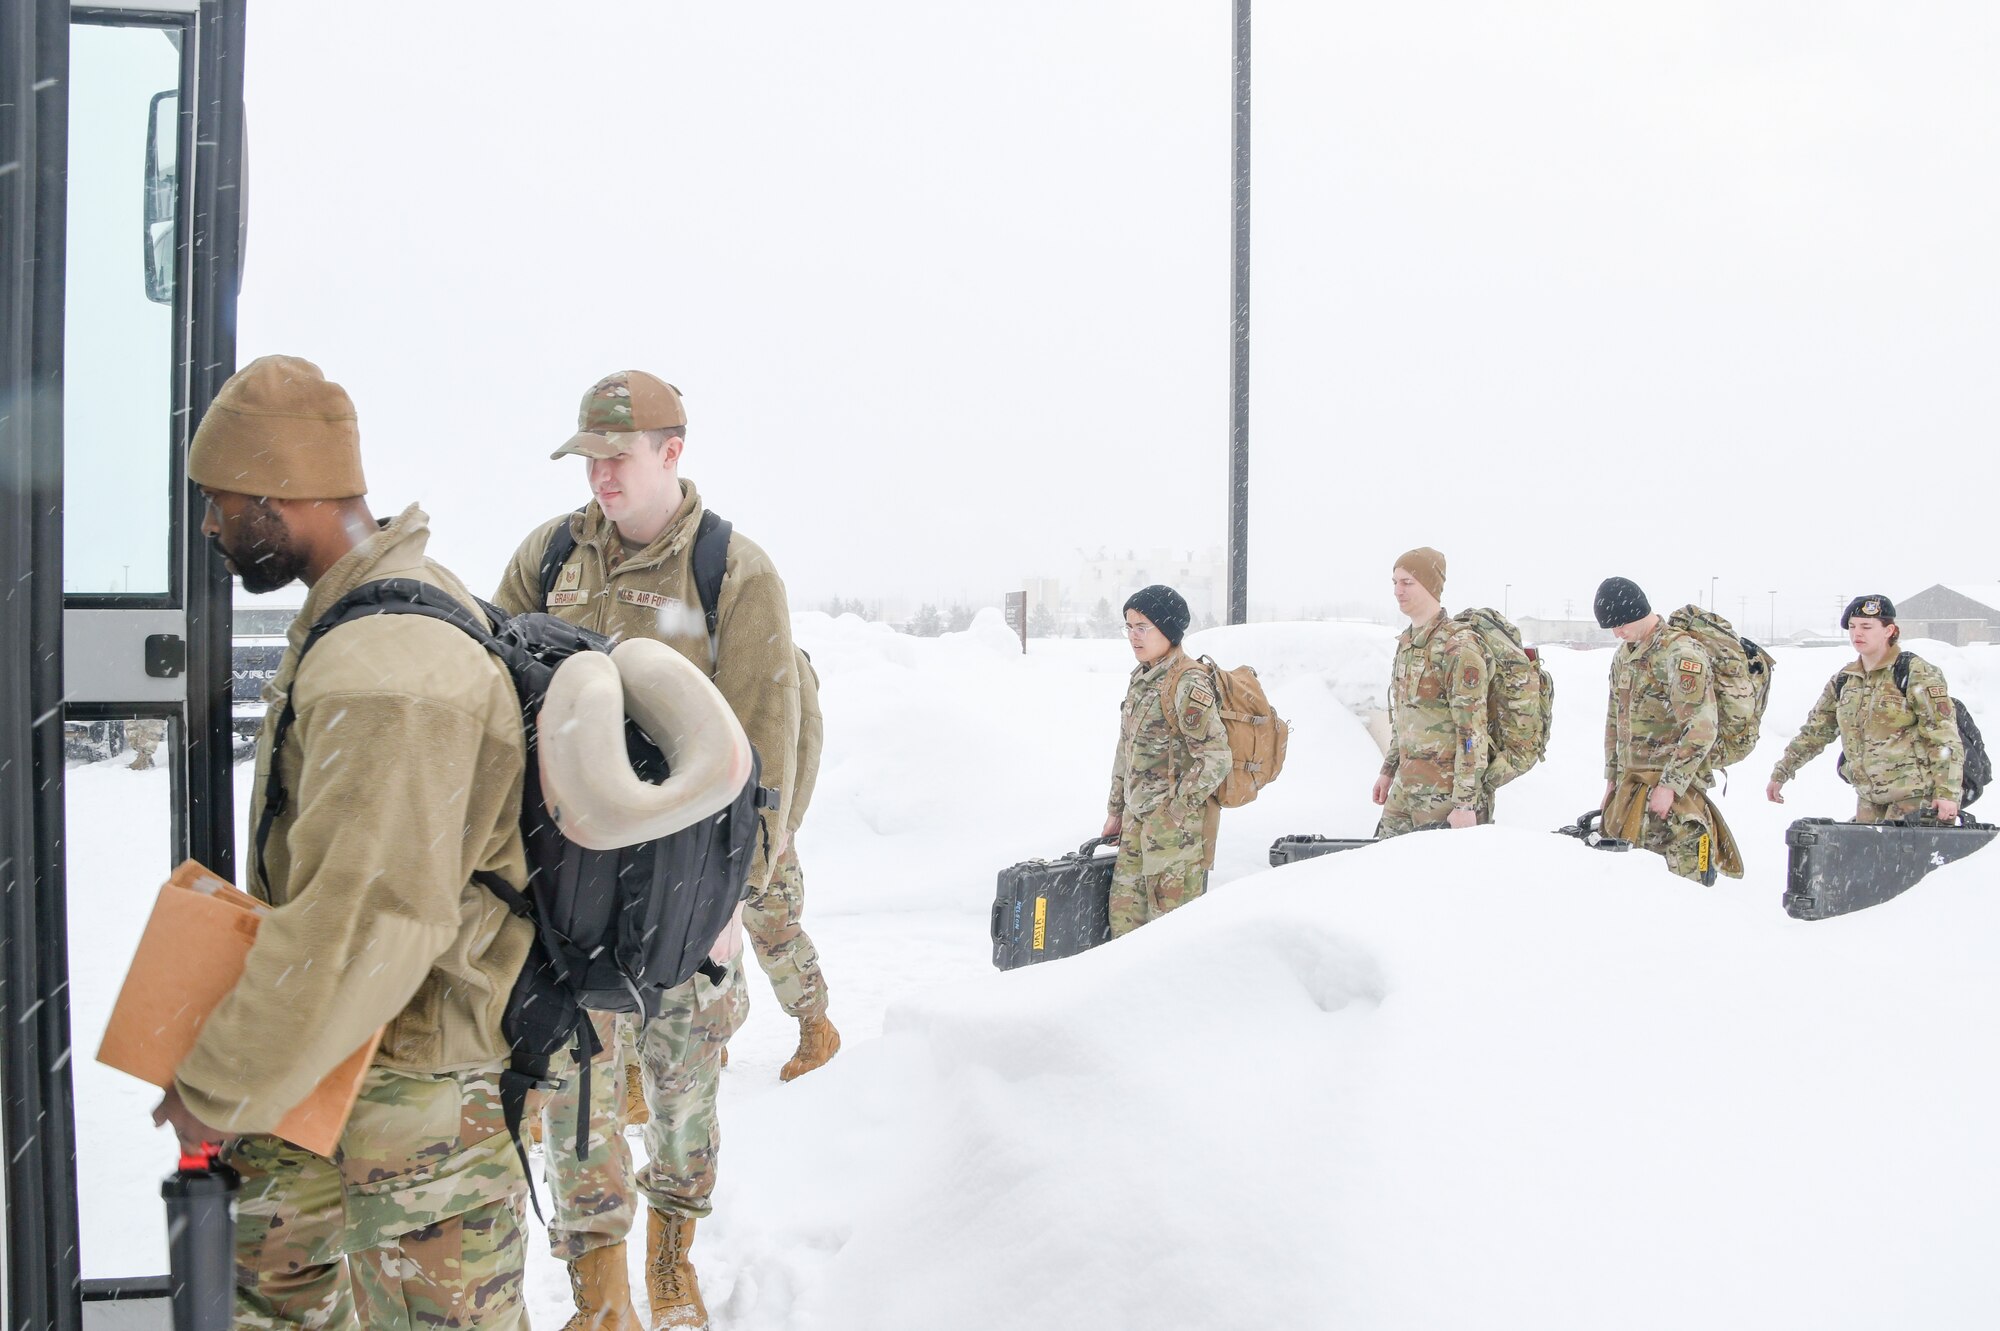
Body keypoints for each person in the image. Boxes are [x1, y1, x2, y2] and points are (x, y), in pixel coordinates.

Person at [155, 355, 534, 1329]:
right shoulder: (368, 612)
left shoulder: (387, 670)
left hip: (412, 1097)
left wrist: (218, 1086)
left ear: (284, 491)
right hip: (341, 1058)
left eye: (222, 501)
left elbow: (364, 922)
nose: (209, 526)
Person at [493, 370, 800, 1331]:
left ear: (672, 452)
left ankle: (673, 1246)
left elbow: (770, 754)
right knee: (576, 1103)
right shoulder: (547, 557)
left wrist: (729, 911)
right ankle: (602, 1293)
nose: (600, 479)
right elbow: (495, 691)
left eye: (616, 458)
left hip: (685, 895)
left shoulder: (730, 572)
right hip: (574, 895)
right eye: (587, 460)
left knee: (680, 1092)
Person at [1101, 584, 1232, 936]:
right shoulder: (1143, 679)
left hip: (1175, 838)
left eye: (1142, 626)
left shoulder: (1188, 682)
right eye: (1128, 626)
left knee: (1170, 936)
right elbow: (1125, 749)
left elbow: (1217, 758)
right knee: (1124, 928)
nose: (1133, 636)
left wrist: (1174, 813)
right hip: (1134, 825)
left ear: (1168, 630)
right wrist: (1116, 811)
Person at [1595, 576, 1742, 883]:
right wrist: (1611, 780)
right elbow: (1614, 722)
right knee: (1637, 884)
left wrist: (1670, 786)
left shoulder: (1680, 655)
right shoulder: (1625, 654)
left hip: (1673, 792)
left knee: (1683, 881)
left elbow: (1701, 728)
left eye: (1620, 624)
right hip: (1632, 788)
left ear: (1637, 612)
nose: (1616, 633)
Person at [1767, 594, 1963, 823]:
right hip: (1869, 800)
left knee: (1901, 859)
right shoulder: (1845, 680)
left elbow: (1942, 735)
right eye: (1852, 626)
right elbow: (1815, 732)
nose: (1857, 633)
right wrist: (1782, 771)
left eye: (1867, 627)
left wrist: (1947, 793)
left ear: (1889, 630)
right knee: (1865, 858)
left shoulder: (1914, 672)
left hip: (1916, 799)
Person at [746, 647, 841, 1081]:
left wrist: (787, 821)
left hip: (764, 820)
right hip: (700, 813)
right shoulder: (694, 636)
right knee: (695, 939)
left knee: (775, 931)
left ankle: (815, 1028)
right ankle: (703, 1035)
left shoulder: (779, 650)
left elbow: (808, 741)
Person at [1369, 547, 1492, 836]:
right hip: (1405, 789)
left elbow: (1472, 733)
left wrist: (1464, 804)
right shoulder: (1408, 643)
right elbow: (1403, 719)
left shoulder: (1458, 648)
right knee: (1379, 868)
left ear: (1430, 586)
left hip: (1443, 796)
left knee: (1437, 878)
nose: (1398, 591)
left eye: (1407, 583)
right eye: (1395, 582)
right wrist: (1388, 771)